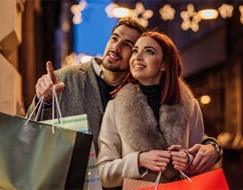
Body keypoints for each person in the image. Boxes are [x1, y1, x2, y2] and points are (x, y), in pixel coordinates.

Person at [26, 18, 222, 172]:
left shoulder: (141, 90)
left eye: (129, 45)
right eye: (115, 38)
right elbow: (31, 131)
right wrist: (44, 101)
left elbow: (185, 134)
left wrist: (213, 147)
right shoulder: (65, 78)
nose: (116, 47)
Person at [97, 31, 221, 189]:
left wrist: (188, 159)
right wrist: (139, 160)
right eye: (135, 50)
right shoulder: (115, 108)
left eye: (148, 51)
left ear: (164, 64)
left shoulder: (190, 105)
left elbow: (200, 157)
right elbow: (103, 173)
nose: (138, 57)